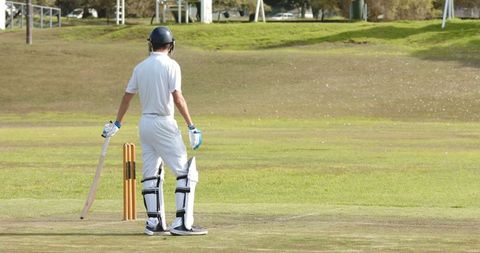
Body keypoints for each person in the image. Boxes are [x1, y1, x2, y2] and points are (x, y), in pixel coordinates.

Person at [101, 26, 207, 236]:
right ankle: (182, 224)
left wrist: (117, 124)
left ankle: (154, 222)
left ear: (151, 44)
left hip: (145, 124)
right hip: (164, 123)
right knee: (186, 173)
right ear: (171, 45)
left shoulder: (140, 67)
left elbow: (127, 97)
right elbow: (177, 97)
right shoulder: (171, 65)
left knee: (152, 172)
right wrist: (191, 125)